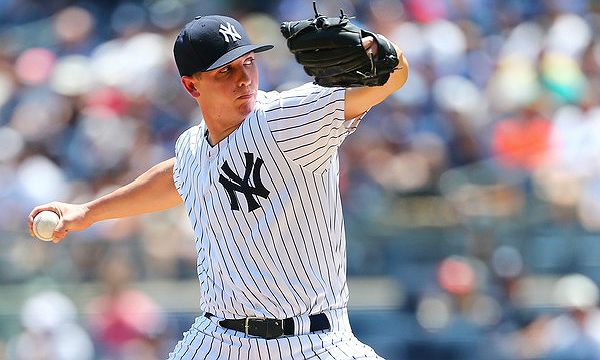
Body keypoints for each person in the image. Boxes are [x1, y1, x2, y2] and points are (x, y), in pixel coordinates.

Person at [29, 13, 408, 360]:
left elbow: (393, 78)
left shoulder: (287, 119)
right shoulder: (192, 147)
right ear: (192, 86)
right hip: (219, 339)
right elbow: (175, 177)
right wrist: (89, 212)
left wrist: (379, 49)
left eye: (248, 62)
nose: (244, 78)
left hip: (313, 340)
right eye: (224, 71)